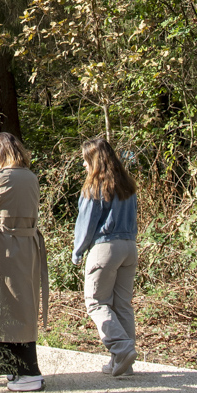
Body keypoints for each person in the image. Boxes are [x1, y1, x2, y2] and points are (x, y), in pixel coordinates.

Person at [0, 133, 49, 392]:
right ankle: (11, 367)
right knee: (23, 303)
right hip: (28, 246)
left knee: (5, 303)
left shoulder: (0, 176)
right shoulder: (30, 176)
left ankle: (27, 372)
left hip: (6, 247)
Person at [72, 137, 139, 377]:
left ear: (94, 160)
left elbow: (86, 224)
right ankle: (123, 363)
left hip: (105, 248)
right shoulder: (127, 185)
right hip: (130, 247)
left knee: (96, 302)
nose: (83, 165)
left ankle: (121, 348)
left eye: (85, 160)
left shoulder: (95, 186)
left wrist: (77, 251)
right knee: (122, 305)